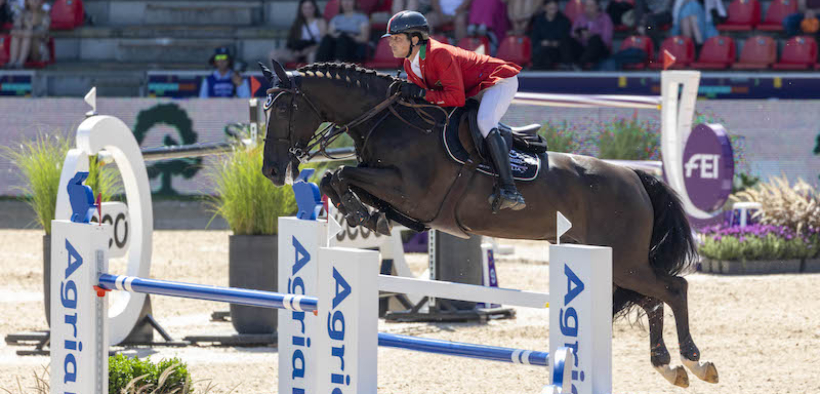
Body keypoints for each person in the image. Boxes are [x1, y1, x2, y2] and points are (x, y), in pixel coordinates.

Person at [383, 10, 526, 211]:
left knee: (485, 122)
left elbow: (455, 98)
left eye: (396, 38)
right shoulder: (409, 64)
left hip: (497, 81)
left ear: (415, 39)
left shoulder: (439, 54)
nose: (391, 43)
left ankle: (510, 190)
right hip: (472, 88)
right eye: (391, 39)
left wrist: (421, 94)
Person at [559, 0, 613, 69]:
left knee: (595, 39)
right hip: (583, 49)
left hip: (599, 50)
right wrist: (577, 35)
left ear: (597, 6)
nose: (588, 9)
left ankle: (580, 64)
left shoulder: (605, 18)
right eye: (586, 6)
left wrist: (590, 36)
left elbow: (606, 40)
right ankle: (568, 64)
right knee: (566, 38)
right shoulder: (580, 17)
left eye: (591, 6)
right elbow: (572, 32)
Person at [271, 0, 327, 65]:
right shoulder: (298, 23)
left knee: (312, 55)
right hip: (298, 51)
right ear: (301, 9)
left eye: (310, 8)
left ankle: (311, 75)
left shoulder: (320, 22)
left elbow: (324, 43)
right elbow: (292, 41)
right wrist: (295, 51)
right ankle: (279, 74)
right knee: (274, 54)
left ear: (314, 8)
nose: (307, 10)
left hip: (313, 50)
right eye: (305, 8)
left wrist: (308, 50)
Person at [6, 0, 50, 69]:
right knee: (15, 36)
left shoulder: (45, 13)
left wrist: (28, 32)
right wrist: (21, 28)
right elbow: (14, 29)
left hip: (37, 50)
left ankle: (20, 63)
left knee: (27, 35)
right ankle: (12, 61)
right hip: (24, 48)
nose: (34, 2)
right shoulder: (23, 12)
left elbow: (44, 32)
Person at [530, 0, 571, 70]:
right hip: (542, 49)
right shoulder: (538, 20)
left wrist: (554, 43)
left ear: (557, 8)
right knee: (541, 51)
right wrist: (542, 43)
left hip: (558, 50)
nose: (553, 11)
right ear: (545, 8)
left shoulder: (564, 20)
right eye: (550, 9)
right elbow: (534, 37)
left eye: (554, 8)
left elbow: (565, 38)